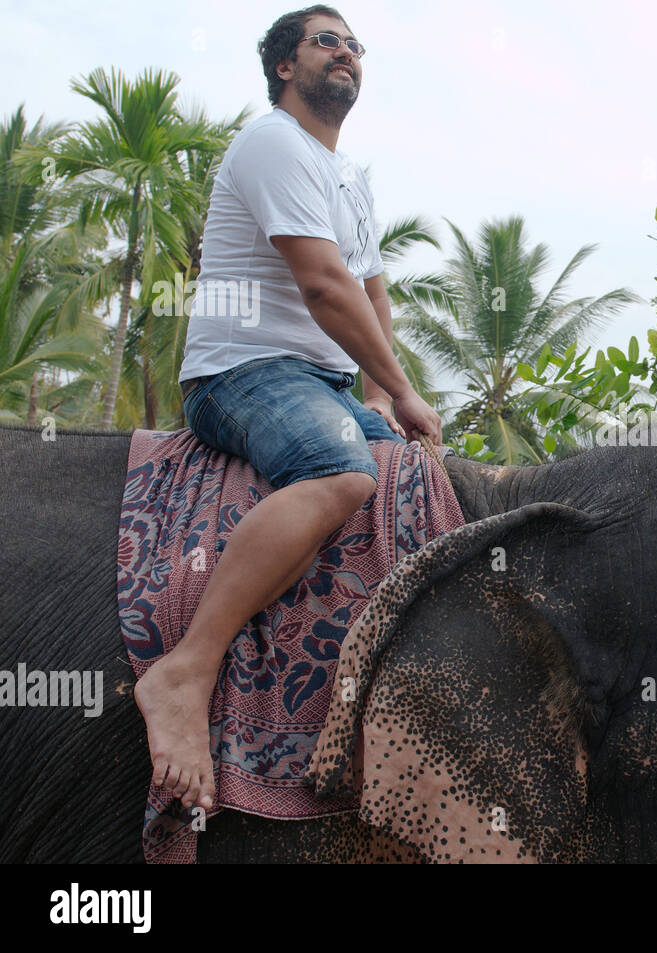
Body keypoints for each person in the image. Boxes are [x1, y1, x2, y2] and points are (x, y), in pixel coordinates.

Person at [133, 5, 443, 814]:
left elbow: (371, 288)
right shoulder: (273, 142)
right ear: (284, 67)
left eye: (354, 45)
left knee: (416, 475)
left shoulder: (350, 177)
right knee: (342, 472)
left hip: (321, 385)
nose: (345, 53)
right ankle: (188, 669)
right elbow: (323, 285)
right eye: (325, 41)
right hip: (243, 371)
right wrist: (406, 393)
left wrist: (382, 398)